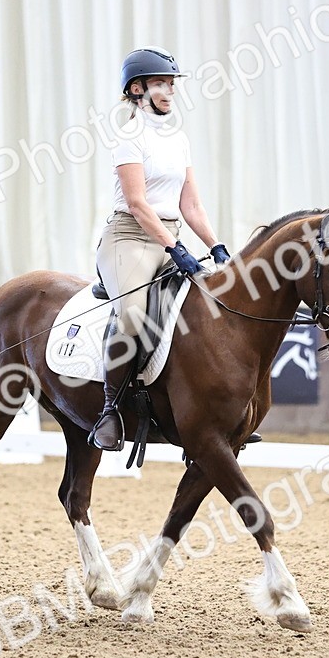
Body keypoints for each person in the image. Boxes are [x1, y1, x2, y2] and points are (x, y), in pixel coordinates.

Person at [89, 46, 230, 451]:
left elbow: (191, 205)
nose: (169, 91)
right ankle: (110, 409)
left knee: (208, 307)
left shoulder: (178, 139)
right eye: (159, 84)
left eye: (171, 84)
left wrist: (216, 246)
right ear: (137, 90)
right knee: (133, 316)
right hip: (130, 238)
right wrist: (175, 249)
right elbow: (137, 203)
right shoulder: (128, 137)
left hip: (169, 236)